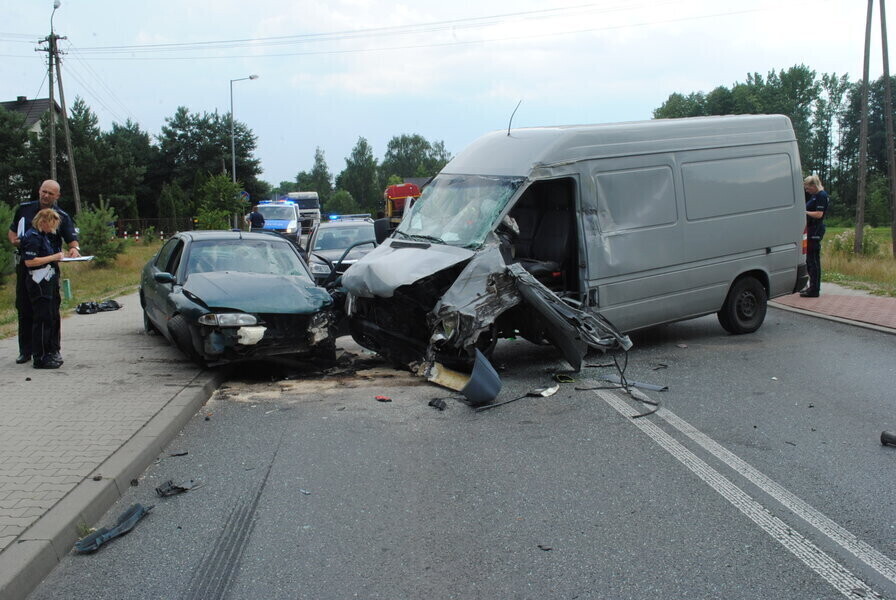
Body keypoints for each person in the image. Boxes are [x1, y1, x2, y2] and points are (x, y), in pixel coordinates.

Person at [7, 180, 80, 364]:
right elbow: (12, 231)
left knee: (50, 311)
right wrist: (15, 240)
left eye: (50, 193)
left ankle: (52, 349)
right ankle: (26, 350)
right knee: (24, 307)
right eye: (43, 191)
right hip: (27, 264)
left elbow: (72, 239)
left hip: (48, 268)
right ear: (39, 190)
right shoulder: (24, 209)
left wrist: (74, 249)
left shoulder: (61, 215)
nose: (46, 195)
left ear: (57, 196)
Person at [19, 209, 66, 369]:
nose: (53, 228)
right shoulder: (32, 237)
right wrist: (54, 257)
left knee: (50, 317)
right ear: (43, 221)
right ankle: (40, 356)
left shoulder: (43, 236)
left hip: (47, 281)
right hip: (38, 282)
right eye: (52, 224)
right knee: (42, 319)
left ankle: (50, 351)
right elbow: (30, 261)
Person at [802, 174, 829, 298]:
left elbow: (819, 214)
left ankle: (814, 289)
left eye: (808, 188)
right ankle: (811, 286)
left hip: (816, 229)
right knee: (809, 260)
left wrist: (804, 212)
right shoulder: (814, 196)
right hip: (811, 228)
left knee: (813, 260)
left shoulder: (821, 196)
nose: (807, 191)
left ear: (814, 186)